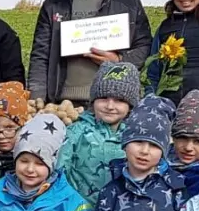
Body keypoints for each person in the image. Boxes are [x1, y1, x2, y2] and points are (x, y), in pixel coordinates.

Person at [27, 0, 153, 104]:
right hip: (63, 104)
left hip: (112, 103)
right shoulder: (54, 5)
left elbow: (144, 46)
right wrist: (37, 99)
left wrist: (119, 62)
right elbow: (40, 56)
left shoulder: (127, 1)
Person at [59, 62, 142, 200]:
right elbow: (61, 169)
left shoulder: (136, 136)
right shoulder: (77, 131)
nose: (110, 106)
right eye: (103, 98)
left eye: (119, 100)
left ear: (130, 105)